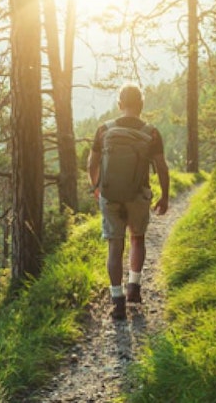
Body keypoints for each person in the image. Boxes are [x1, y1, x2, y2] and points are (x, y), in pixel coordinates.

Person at [88, 83, 170, 320]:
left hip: (110, 195)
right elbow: (162, 167)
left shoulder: (104, 129)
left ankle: (117, 301)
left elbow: (92, 164)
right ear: (141, 106)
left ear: (120, 104)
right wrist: (164, 195)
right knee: (137, 238)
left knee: (115, 246)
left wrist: (97, 187)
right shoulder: (151, 132)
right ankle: (133, 286)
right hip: (138, 194)